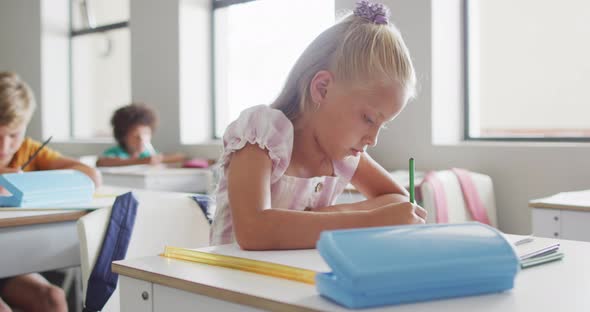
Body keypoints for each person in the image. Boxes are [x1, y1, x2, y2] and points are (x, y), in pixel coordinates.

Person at [210, 0, 427, 250]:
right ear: (322, 89)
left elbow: (397, 200)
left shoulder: (341, 157)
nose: (373, 139)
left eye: (383, 125)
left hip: (294, 281)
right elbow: (253, 231)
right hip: (229, 282)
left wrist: (328, 216)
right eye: (368, 119)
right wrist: (366, 220)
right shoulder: (262, 134)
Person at [0, 71, 102, 311]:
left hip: (7, 262)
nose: (5, 146)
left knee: (53, 298)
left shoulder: (29, 150)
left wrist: (33, 183)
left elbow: (91, 176)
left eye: (13, 135)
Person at [96, 103, 185, 167]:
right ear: (123, 136)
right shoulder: (115, 153)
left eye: (146, 134)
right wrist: (141, 161)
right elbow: (101, 162)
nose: (142, 139)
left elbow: (180, 157)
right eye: (135, 136)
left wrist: (159, 159)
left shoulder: (147, 153)